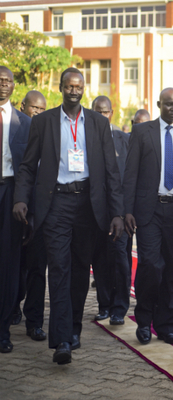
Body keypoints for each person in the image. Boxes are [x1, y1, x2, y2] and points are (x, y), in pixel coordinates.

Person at [13, 67, 124, 365]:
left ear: (84, 89)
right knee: (59, 269)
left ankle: (73, 330)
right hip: (56, 205)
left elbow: (112, 173)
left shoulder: (99, 124)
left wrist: (117, 213)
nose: (74, 90)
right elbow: (27, 166)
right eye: (69, 85)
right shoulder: (44, 122)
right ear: (60, 88)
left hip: (89, 205)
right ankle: (61, 339)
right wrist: (21, 198)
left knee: (78, 271)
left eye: (79, 86)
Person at [123, 88, 173, 346]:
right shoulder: (142, 132)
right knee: (150, 266)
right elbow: (131, 173)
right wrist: (128, 210)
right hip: (149, 210)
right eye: (169, 104)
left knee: (170, 268)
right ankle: (144, 321)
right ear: (159, 105)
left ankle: (166, 325)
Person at [90, 96, 132, 326]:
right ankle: (104, 306)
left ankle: (119, 308)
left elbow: (131, 177)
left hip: (121, 212)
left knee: (120, 260)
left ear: (111, 113)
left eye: (105, 112)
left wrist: (128, 211)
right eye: (98, 111)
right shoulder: (86, 138)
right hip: (95, 212)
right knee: (99, 260)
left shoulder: (123, 139)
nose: (102, 115)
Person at [0, 66, 32, 354]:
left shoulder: (24, 123)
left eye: (8, 81)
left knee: (9, 264)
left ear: (13, 86)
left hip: (12, 195)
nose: (3, 85)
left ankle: (3, 330)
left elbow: (29, 168)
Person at [11, 90, 47, 342]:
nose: (37, 112)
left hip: (40, 214)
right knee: (14, 267)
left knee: (36, 268)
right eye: (34, 107)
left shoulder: (49, 134)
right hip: (14, 211)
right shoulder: (13, 130)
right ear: (23, 106)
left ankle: (34, 322)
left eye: (42, 109)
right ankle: (12, 308)